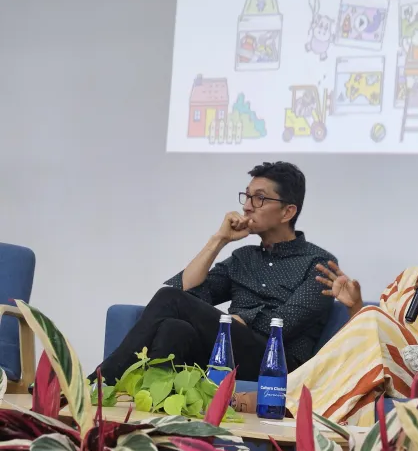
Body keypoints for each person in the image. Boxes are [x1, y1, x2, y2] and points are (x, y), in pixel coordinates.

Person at [232, 189, 418, 425]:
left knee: (371, 322)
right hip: (390, 372)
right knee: (369, 329)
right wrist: (355, 307)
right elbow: (374, 340)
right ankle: (298, 421)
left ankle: (275, 396)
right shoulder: (410, 277)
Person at [90, 161, 336, 383]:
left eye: (259, 198)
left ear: (287, 212)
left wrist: (240, 320)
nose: (247, 207)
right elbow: (187, 292)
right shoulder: (243, 258)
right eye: (247, 197)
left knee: (170, 300)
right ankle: (157, 409)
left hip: (276, 362)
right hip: (228, 352)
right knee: (174, 328)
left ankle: (100, 381)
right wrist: (219, 240)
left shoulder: (319, 263)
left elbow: (281, 325)